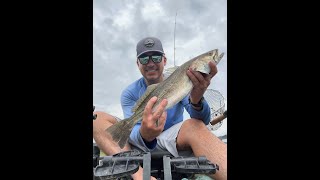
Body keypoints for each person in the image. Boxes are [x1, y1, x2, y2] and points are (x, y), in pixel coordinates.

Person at [93, 37, 227, 180]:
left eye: (156, 57)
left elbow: (203, 120)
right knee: (96, 118)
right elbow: (131, 131)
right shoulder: (129, 92)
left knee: (194, 125)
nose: (150, 63)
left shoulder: (187, 78)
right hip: (138, 140)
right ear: (137, 63)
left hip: (171, 139)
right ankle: (139, 175)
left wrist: (197, 99)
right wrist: (145, 135)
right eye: (144, 59)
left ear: (164, 60)